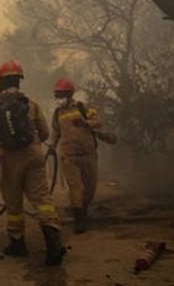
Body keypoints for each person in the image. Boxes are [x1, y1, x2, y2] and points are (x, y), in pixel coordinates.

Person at [0, 60, 66, 266]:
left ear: (0, 80)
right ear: (19, 80)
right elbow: (46, 132)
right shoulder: (30, 104)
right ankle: (53, 243)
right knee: (42, 199)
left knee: (13, 203)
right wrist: (34, 143)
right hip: (33, 154)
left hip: (9, 157)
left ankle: (17, 243)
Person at [51, 77, 106, 234]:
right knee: (75, 187)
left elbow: (98, 122)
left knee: (90, 187)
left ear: (70, 94)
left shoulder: (84, 108)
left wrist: (85, 123)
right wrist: (51, 147)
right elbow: (55, 133)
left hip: (88, 155)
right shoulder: (57, 114)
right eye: (57, 95)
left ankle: (82, 207)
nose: (59, 98)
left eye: (62, 94)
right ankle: (79, 219)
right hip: (69, 156)